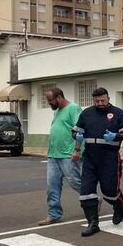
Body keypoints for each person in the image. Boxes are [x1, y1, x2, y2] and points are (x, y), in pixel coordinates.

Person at [73, 87, 123, 236]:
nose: (100, 103)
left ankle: (118, 205)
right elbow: (75, 131)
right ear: (93, 100)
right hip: (90, 158)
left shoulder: (118, 113)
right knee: (86, 192)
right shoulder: (86, 113)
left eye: (103, 100)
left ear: (108, 99)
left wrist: (116, 136)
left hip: (109, 159)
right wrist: (77, 137)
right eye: (97, 101)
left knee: (109, 191)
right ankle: (93, 223)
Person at [38, 87, 83, 226]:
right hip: (53, 155)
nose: (49, 103)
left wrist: (77, 150)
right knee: (52, 186)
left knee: (75, 182)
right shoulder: (57, 111)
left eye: (50, 100)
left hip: (67, 155)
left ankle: (92, 199)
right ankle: (54, 214)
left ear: (59, 97)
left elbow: (80, 130)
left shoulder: (74, 108)